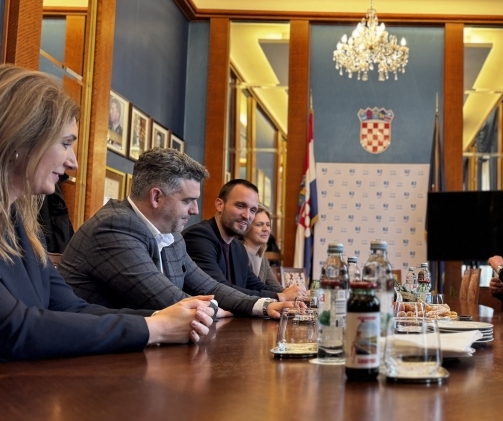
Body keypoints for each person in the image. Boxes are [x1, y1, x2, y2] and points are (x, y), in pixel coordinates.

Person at [0, 65, 213, 361]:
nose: (73, 163)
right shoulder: (115, 225)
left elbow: (69, 308)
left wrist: (163, 318)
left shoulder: (23, 226)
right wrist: (156, 328)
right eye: (65, 144)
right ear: (21, 139)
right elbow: (13, 331)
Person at [60, 148, 291, 319]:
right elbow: (168, 300)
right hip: (93, 360)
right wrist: (218, 310)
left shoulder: (172, 236)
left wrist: (262, 305)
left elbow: (209, 286)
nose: (195, 210)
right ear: (156, 197)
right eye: (187, 201)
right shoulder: (115, 226)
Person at [182, 180, 302, 300]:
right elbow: (219, 289)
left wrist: (293, 294)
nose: (247, 215)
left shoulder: (238, 247)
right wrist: (279, 296)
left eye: (253, 210)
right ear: (220, 205)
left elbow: (256, 285)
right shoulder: (198, 237)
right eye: (240, 206)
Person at [241, 205, 284, 293]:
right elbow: (248, 291)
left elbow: (277, 288)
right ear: (246, 228)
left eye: (268, 225)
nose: (266, 229)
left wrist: (301, 294)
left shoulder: (262, 256)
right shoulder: (238, 253)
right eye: (259, 224)